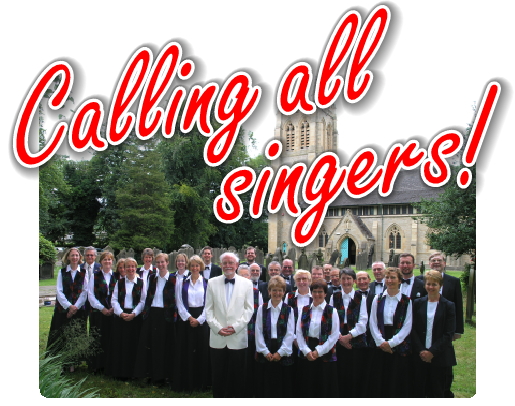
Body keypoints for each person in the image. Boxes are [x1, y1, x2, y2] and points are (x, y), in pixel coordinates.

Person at [205, 252, 254, 398]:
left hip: (237, 338)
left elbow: (249, 309)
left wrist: (236, 327)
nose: (228, 266)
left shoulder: (247, 284)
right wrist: (217, 328)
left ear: (237, 265)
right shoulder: (212, 282)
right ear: (220, 265)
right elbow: (208, 309)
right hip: (217, 337)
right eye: (225, 263)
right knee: (218, 374)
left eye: (231, 263)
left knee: (237, 375)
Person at [419, 252, 463, 398]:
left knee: (440, 386)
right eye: (433, 260)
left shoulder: (452, 289)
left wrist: (457, 331)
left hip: (442, 340)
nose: (431, 286)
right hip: (422, 346)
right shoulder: (418, 301)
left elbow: (458, 307)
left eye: (439, 260)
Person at [134, 253, 177, 387]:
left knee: (164, 346)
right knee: (151, 345)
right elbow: (147, 296)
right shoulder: (152, 277)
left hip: (166, 316)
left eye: (162, 262)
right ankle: (151, 374)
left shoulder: (173, 279)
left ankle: (165, 376)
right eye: (157, 262)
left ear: (167, 263)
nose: (160, 265)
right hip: (152, 313)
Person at [412, 270, 457, 398]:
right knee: (419, 389)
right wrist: (421, 350)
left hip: (440, 356)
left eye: (434, 284)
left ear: (440, 286)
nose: (431, 287)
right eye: (428, 284)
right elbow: (413, 328)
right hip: (420, 355)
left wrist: (432, 352)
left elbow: (449, 333)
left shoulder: (448, 306)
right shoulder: (418, 303)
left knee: (437, 391)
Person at [369, 267, 413, 397]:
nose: (390, 280)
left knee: (395, 376)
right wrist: (381, 342)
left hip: (398, 342)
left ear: (400, 280)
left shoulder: (406, 300)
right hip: (380, 341)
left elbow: (407, 325)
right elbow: (372, 322)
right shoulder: (378, 298)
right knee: (380, 375)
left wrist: (392, 343)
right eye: (387, 277)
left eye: (393, 277)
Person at [46, 247, 89, 372]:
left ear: (79, 257)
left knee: (75, 336)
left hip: (78, 309)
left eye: (77, 255)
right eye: (72, 255)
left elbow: (85, 291)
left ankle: (73, 363)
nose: (74, 257)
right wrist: (69, 306)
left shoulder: (84, 273)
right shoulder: (62, 272)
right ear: (68, 257)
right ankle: (60, 362)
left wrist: (75, 306)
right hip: (63, 309)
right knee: (62, 336)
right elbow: (59, 291)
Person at [296, 278, 339, 398]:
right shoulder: (304, 310)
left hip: (325, 351)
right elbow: (299, 332)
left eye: (320, 292)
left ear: (325, 294)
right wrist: (306, 350)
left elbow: (334, 335)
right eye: (314, 291)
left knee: (323, 384)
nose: (317, 294)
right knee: (306, 384)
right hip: (307, 350)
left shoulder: (332, 311)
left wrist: (318, 351)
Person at [175, 255, 211, 393]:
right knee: (187, 350)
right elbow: (179, 302)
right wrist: (190, 318)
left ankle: (202, 383)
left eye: (197, 265)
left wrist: (200, 320)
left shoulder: (207, 283)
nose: (195, 268)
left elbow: (209, 305)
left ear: (201, 267)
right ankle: (188, 383)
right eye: (192, 266)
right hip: (187, 320)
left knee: (202, 351)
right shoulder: (183, 282)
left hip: (202, 320)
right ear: (189, 267)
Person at [329, 268, 368, 397]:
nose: (346, 282)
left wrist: (349, 336)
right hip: (337, 337)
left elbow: (363, 321)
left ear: (354, 281)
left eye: (349, 279)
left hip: (355, 339)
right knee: (339, 372)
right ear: (339, 280)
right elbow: (330, 320)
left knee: (354, 373)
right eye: (343, 278)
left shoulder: (361, 297)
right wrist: (340, 338)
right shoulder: (334, 297)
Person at [255, 276, 295, 398]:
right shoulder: (262, 308)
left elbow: (290, 333)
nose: (277, 293)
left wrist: (280, 352)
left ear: (284, 292)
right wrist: (265, 351)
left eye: (280, 290)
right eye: (274, 290)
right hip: (266, 347)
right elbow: (258, 331)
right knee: (266, 382)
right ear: (269, 292)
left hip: (282, 349)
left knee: (282, 383)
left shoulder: (289, 310)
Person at [110, 257, 146, 380]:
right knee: (121, 344)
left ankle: (133, 373)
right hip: (121, 316)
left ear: (136, 268)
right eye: (128, 266)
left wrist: (134, 313)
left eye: (132, 266)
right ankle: (120, 372)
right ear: (124, 269)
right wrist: (120, 313)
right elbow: (114, 300)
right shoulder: (119, 282)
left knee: (133, 344)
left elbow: (143, 301)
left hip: (135, 317)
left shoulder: (141, 282)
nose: (130, 269)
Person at [87, 251, 117, 373]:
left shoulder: (116, 276)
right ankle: (96, 364)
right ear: (101, 262)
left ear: (112, 261)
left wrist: (113, 308)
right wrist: (102, 308)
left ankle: (108, 364)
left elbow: (119, 294)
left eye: (109, 259)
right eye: (105, 259)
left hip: (112, 312)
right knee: (97, 338)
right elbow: (91, 295)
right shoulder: (95, 276)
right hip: (98, 312)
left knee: (109, 338)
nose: (107, 262)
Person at [237, 264, 264, 397]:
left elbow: (259, 315)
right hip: (236, 333)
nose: (244, 278)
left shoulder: (256, 292)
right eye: (241, 275)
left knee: (250, 362)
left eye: (246, 275)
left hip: (251, 333)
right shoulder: (233, 292)